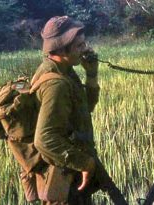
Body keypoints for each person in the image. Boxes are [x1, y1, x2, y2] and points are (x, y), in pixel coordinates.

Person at [32, 15, 102, 204]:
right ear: (62, 49)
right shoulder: (56, 84)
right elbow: (44, 139)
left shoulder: (65, 71)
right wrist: (85, 163)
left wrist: (91, 74)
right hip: (64, 180)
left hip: (70, 174)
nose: (85, 49)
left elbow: (85, 109)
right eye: (79, 46)